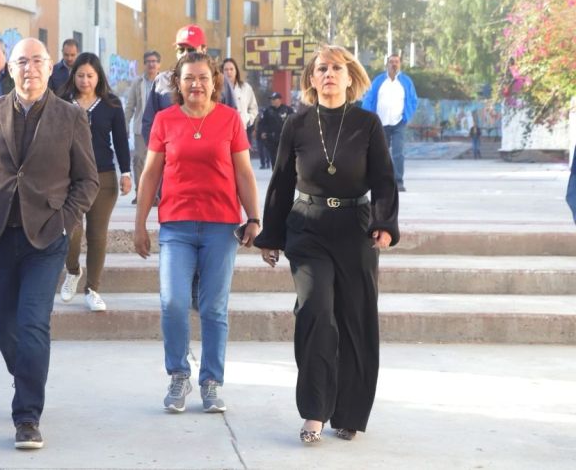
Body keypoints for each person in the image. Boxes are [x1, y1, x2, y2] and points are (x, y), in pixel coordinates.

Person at [255, 44, 399, 444]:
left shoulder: (367, 124)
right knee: (316, 311)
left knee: (355, 319)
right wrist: (272, 234)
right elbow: (282, 181)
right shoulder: (297, 125)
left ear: (350, 76)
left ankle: (348, 413)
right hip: (308, 227)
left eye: (337, 68)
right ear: (311, 78)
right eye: (322, 68)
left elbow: (384, 180)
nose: (329, 74)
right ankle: (315, 410)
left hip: (356, 227)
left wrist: (385, 223)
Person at [0, 38, 98, 450]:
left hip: (47, 237)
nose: (29, 68)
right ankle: (28, 377)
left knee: (33, 322)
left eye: (37, 61)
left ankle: (27, 416)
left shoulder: (70, 116)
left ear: (50, 67)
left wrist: (64, 222)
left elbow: (87, 180)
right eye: (22, 61)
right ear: (10, 68)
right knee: (3, 324)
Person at [133, 52, 260, 414]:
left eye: (203, 77)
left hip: (222, 226)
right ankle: (178, 375)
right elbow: (150, 175)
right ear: (178, 82)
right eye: (189, 77)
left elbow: (245, 174)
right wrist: (141, 223)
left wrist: (254, 217)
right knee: (173, 302)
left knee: (213, 307)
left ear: (215, 81)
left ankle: (211, 382)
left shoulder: (230, 119)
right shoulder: (164, 120)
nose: (196, 84)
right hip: (177, 225)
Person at [58, 52, 132, 311]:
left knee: (97, 235)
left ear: (98, 77)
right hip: (70, 178)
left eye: (90, 76)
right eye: (80, 75)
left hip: (103, 177)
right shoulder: (62, 102)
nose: (85, 81)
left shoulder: (111, 104)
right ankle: (73, 271)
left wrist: (126, 172)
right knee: (71, 231)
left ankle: (93, 289)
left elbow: (121, 140)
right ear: (73, 76)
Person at [141, 26, 238, 141]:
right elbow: (149, 124)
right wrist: (161, 153)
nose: (185, 54)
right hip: (172, 156)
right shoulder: (161, 82)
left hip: (211, 155)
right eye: (181, 50)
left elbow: (233, 124)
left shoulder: (220, 81)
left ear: (204, 50)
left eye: (191, 49)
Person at [361, 53, 418, 191]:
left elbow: (413, 100)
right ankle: (381, 181)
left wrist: (406, 116)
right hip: (381, 123)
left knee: (398, 152)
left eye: (396, 62)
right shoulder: (379, 81)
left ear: (400, 64)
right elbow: (369, 98)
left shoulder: (406, 81)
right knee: (380, 153)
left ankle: (399, 181)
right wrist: (369, 116)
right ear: (387, 64)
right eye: (391, 61)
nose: (394, 64)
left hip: (399, 122)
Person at [124, 50, 161, 204]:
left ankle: (157, 195)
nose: (151, 64)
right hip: (141, 128)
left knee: (159, 162)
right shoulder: (137, 83)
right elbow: (130, 106)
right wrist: (125, 125)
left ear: (159, 64)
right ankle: (141, 193)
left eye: (154, 61)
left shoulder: (165, 81)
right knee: (139, 159)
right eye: (148, 61)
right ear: (144, 64)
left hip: (160, 128)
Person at [222, 57, 259, 138]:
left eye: (231, 69)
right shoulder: (217, 89)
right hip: (223, 130)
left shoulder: (245, 88)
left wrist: (248, 119)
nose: (229, 72)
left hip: (242, 129)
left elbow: (254, 108)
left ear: (236, 71)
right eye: (226, 69)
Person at [257, 92, 294, 169]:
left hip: (284, 139)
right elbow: (262, 123)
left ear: (279, 100)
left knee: (285, 159)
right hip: (272, 139)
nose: (272, 101)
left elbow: (294, 122)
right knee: (274, 159)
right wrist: (262, 132)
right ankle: (276, 175)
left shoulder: (288, 110)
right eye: (271, 99)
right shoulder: (267, 111)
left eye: (274, 99)